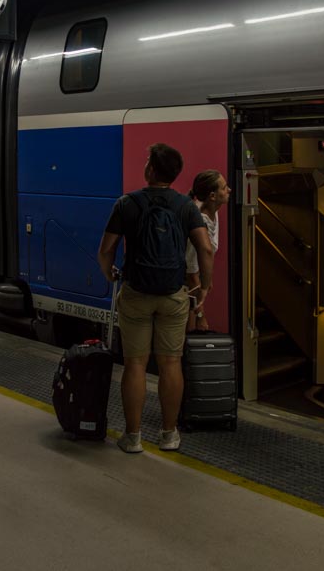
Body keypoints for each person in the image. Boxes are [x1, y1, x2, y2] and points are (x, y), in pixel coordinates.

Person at [97, 143, 213, 454]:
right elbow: (205, 249)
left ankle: (132, 437)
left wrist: (110, 274)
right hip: (173, 296)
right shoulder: (187, 207)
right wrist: (205, 287)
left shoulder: (127, 203)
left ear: (150, 170)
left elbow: (106, 249)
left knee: (135, 364)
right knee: (170, 363)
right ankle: (168, 435)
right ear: (175, 175)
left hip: (136, 293)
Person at [184, 170, 230, 332]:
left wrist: (206, 276)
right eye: (224, 188)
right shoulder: (197, 223)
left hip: (191, 288)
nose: (229, 190)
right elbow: (190, 274)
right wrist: (201, 316)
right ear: (212, 196)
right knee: (185, 337)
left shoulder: (212, 211)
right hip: (183, 289)